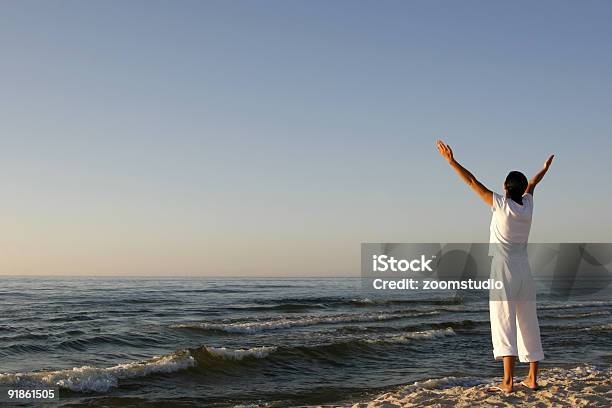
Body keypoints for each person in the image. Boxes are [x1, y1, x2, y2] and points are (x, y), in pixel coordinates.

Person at [436, 139, 554, 393]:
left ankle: (508, 382)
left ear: (504, 187)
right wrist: (544, 169)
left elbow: (471, 182)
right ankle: (532, 378)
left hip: (503, 269)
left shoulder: (501, 205)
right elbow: (533, 184)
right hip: (525, 271)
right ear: (521, 190)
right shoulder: (528, 206)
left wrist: (451, 161)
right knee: (528, 322)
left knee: (504, 322)